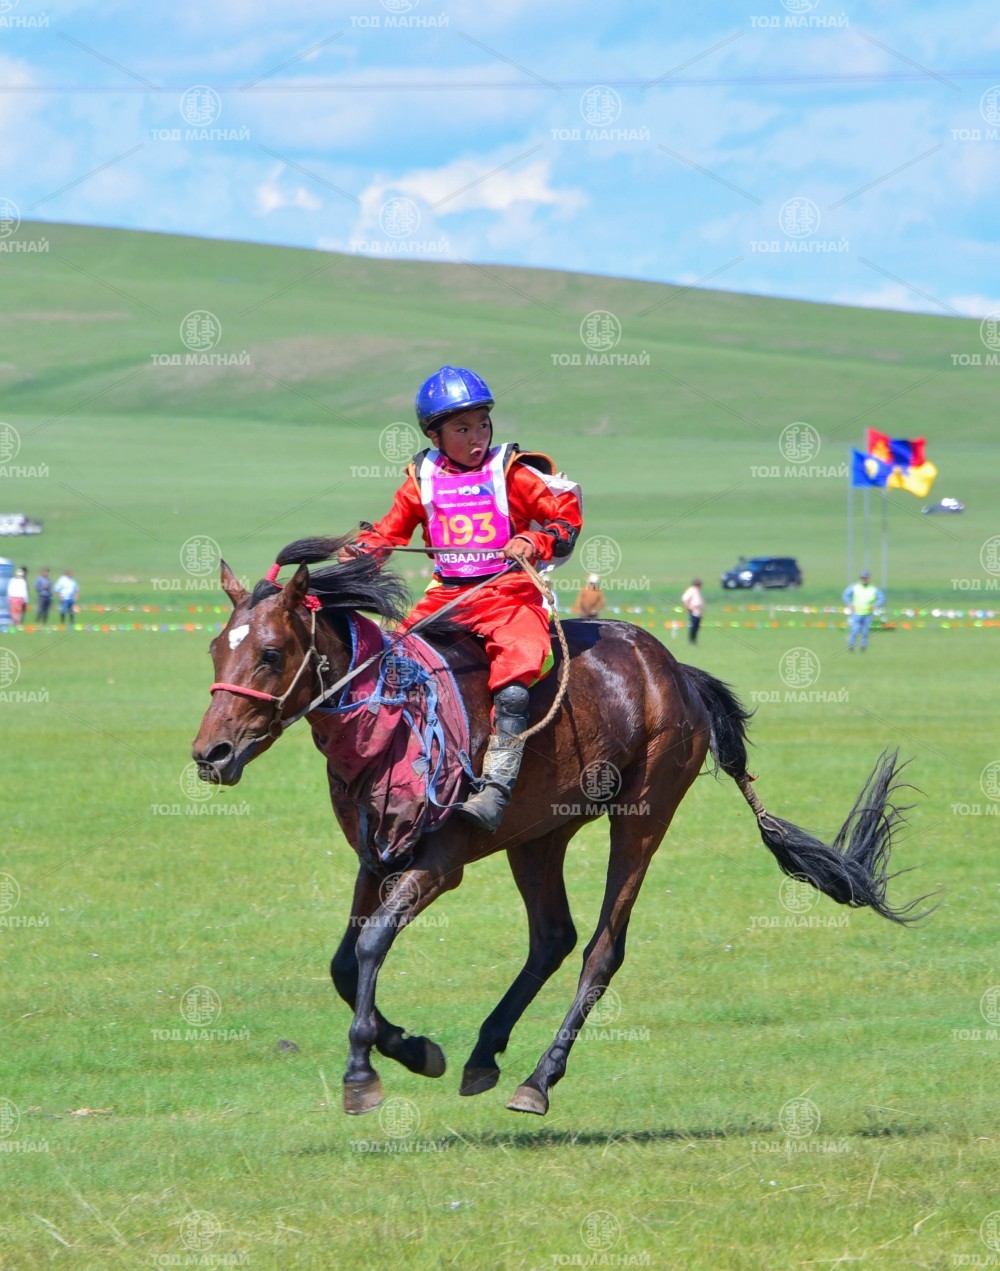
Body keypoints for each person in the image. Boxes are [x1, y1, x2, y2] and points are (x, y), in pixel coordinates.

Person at [340, 365, 582, 833]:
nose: (477, 437)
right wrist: (364, 551)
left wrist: (533, 540)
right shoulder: (422, 478)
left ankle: (498, 785)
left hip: (509, 595)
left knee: (515, 680)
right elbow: (389, 533)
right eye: (462, 429)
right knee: (392, 666)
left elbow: (564, 519)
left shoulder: (512, 471)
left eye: (482, 425)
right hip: (447, 598)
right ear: (435, 435)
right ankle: (407, 771)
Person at [842, 569, 884, 652]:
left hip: (868, 613)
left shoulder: (873, 588)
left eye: (865, 578)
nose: (864, 579)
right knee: (855, 630)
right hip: (856, 613)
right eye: (862, 578)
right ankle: (851, 646)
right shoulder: (854, 587)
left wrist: (875, 605)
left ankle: (863, 647)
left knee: (865, 632)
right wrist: (849, 604)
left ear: (868, 578)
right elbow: (845, 595)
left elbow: (881, 598)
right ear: (860, 578)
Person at [680, 578, 704, 644]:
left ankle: (694, 640)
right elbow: (684, 598)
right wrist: (688, 606)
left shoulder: (697, 590)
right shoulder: (692, 590)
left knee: (697, 626)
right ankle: (692, 640)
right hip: (693, 610)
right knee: (694, 626)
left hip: (698, 611)